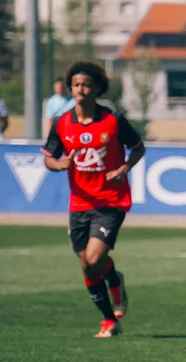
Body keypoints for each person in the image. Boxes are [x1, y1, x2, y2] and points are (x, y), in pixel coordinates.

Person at [41, 61, 145, 338]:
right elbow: (48, 158)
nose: (80, 89)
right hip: (79, 203)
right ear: (70, 87)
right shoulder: (62, 124)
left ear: (97, 88)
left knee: (94, 257)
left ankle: (112, 283)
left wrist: (124, 168)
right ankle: (110, 319)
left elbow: (137, 148)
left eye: (86, 85)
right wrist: (59, 164)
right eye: (76, 85)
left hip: (111, 201)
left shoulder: (111, 120)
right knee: (87, 265)